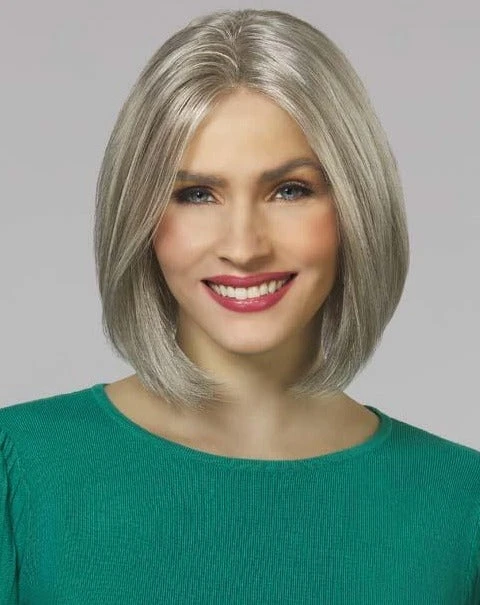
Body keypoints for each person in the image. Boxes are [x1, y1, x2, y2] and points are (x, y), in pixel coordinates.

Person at [1, 8, 479, 604]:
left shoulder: (462, 504)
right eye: (197, 194)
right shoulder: (21, 469)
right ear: (141, 218)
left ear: (356, 206)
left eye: (290, 190)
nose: (244, 247)